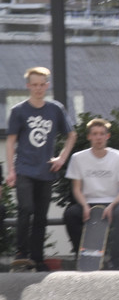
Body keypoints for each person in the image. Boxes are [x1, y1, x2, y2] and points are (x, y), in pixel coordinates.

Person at [5, 67, 77, 270]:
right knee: (25, 208)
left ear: (47, 85)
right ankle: (21, 253)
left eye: (41, 85)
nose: (38, 88)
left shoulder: (55, 109)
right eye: (34, 85)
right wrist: (11, 170)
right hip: (24, 169)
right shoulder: (19, 110)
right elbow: (10, 142)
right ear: (28, 86)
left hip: (46, 170)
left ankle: (37, 258)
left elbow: (72, 135)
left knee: (41, 216)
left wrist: (62, 158)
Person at [63, 117, 119, 269]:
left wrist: (112, 205)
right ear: (89, 136)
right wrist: (84, 206)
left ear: (107, 136)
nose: (98, 137)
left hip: (112, 201)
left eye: (102, 134)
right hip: (87, 202)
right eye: (95, 134)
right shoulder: (78, 158)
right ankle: (83, 256)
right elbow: (76, 188)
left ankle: (115, 260)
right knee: (70, 214)